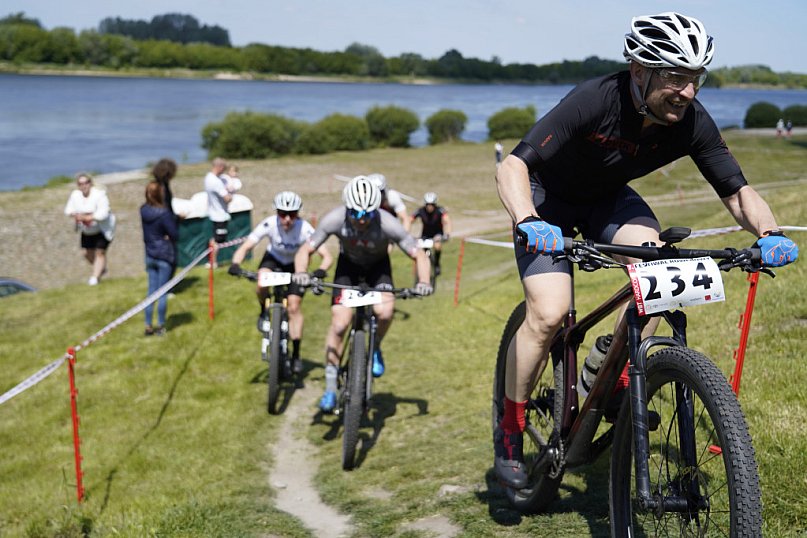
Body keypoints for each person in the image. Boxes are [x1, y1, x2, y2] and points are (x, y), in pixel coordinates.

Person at [493, 11, 799, 489]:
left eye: (696, 79)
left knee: (657, 269)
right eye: (676, 77)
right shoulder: (595, 99)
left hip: (608, 198)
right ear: (639, 71)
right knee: (549, 312)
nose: (688, 92)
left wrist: (770, 231)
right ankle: (509, 429)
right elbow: (512, 166)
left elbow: (738, 193)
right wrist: (528, 220)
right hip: (544, 197)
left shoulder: (689, 119)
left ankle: (610, 376)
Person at [293, 176, 434, 412]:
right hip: (347, 269)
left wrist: (424, 281)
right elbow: (305, 250)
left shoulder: (387, 222)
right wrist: (300, 272)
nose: (361, 220)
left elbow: (418, 253)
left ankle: (375, 345)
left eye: (368, 214)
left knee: (385, 312)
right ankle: (329, 387)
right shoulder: (334, 219)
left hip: (378, 270)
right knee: (339, 324)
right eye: (356, 214)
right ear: (347, 209)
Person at [229, 191, 333, 373]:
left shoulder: (305, 228)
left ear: (298, 214)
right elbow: (246, 246)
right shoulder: (269, 223)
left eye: (292, 214)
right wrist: (235, 264)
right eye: (282, 214)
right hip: (274, 260)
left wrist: (320, 270)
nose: (287, 219)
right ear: (276, 212)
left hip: (295, 265)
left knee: (294, 306)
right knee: (261, 281)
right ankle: (263, 310)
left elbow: (327, 256)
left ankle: (297, 353)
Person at [140, 181, 179, 336]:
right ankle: (161, 325)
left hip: (149, 253)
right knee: (162, 291)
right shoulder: (164, 214)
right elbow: (175, 234)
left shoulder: (143, 210)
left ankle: (148, 325)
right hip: (163, 254)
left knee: (151, 291)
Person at [64, 173, 114, 285]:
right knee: (86, 253)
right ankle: (101, 269)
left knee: (100, 252)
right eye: (80, 184)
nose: (83, 186)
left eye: (86, 183)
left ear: (90, 183)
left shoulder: (99, 195)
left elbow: (103, 213)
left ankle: (94, 279)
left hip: (102, 229)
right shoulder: (75, 195)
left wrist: (87, 217)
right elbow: (68, 210)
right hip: (87, 230)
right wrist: (77, 216)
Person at [410, 191, 452, 276]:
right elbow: (410, 219)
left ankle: (436, 264)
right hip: (425, 235)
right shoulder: (420, 211)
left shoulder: (440, 210)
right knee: (420, 251)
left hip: (437, 234)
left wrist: (447, 234)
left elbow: (447, 221)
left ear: (435, 204)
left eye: (432, 204)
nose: (429, 207)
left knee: (437, 246)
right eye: (428, 204)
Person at [204, 157, 232, 245]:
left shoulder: (208, 177)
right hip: (220, 216)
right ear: (220, 167)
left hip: (213, 214)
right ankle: (214, 259)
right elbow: (227, 199)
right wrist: (231, 192)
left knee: (214, 239)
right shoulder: (216, 181)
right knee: (218, 241)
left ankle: (213, 259)